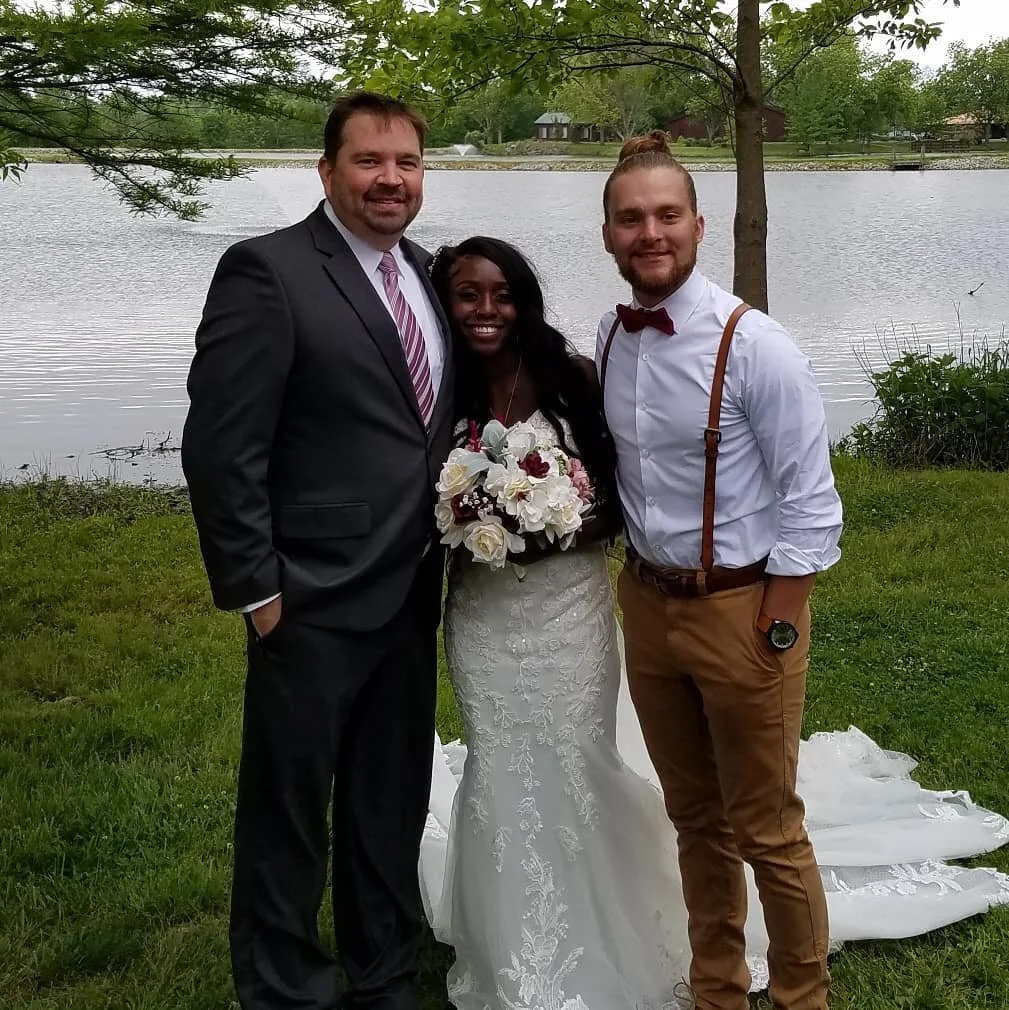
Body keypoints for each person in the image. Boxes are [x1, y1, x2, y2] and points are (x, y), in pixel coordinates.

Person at [181, 91, 454, 1010]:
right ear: (327, 170)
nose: (390, 179)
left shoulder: (428, 272)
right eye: (369, 161)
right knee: (288, 813)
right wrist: (256, 589)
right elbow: (222, 445)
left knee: (388, 799)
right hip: (306, 596)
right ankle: (284, 985)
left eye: (406, 162)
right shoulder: (268, 271)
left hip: (411, 592)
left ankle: (383, 973)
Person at [425, 236, 695, 1010]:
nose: (486, 310)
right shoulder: (437, 389)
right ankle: (511, 947)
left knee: (578, 758)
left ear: (524, 300)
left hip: (568, 609)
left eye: (502, 294)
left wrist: (555, 527)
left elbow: (621, 497)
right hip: (482, 614)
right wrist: (477, 520)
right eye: (467, 295)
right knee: (500, 763)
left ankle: (615, 924)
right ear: (445, 303)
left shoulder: (571, 378)